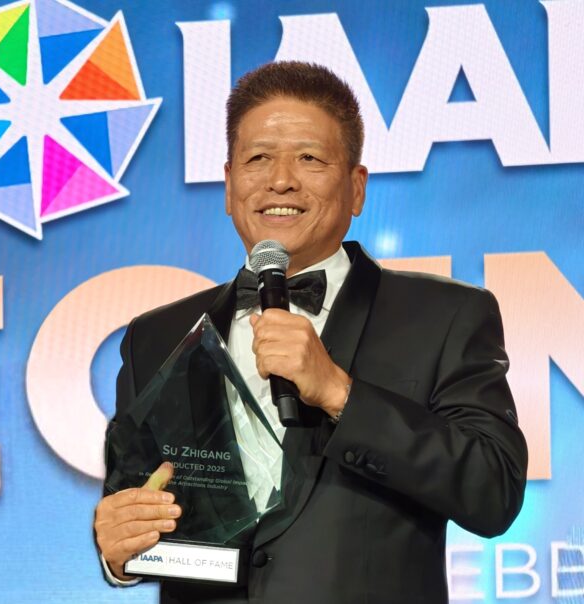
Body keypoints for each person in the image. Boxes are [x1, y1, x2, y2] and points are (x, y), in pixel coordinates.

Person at [93, 61, 528, 603]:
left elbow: (493, 491)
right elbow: (138, 502)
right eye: (258, 158)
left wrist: (341, 394)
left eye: (309, 158)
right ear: (229, 185)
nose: (280, 180)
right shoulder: (154, 338)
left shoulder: (445, 316)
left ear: (357, 188)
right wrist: (120, 551)